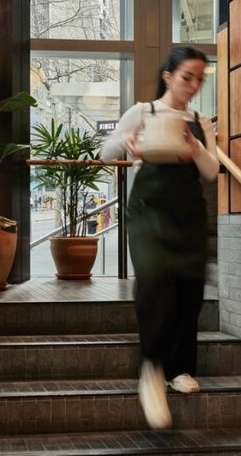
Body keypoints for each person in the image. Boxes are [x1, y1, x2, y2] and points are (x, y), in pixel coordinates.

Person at [100, 46, 218, 429]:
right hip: (148, 213)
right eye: (188, 77)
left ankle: (179, 369)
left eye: (200, 78)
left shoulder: (200, 119)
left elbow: (212, 171)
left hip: (188, 215)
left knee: (189, 291)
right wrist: (130, 144)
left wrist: (196, 146)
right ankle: (151, 370)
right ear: (168, 75)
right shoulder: (143, 111)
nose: (194, 85)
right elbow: (105, 152)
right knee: (154, 285)